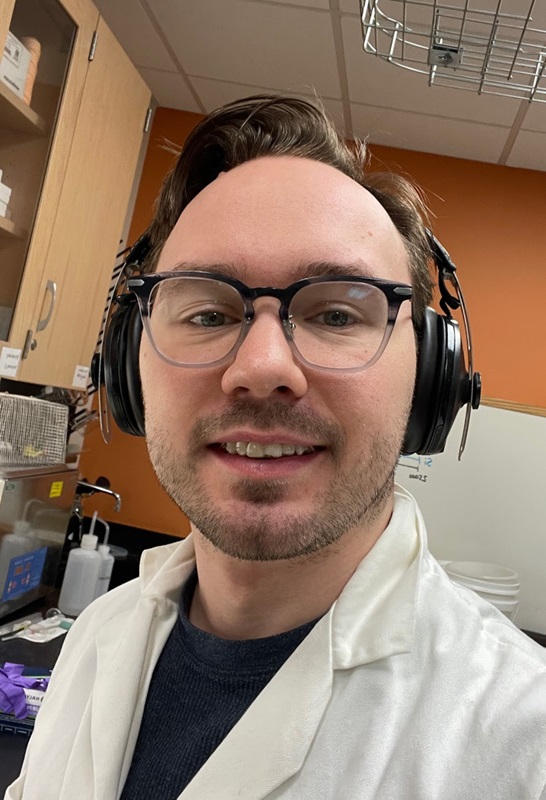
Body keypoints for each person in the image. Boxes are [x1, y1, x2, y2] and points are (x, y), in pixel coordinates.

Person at [6, 95, 546, 800]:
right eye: (206, 311)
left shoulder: (520, 746)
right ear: (128, 366)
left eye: (335, 313)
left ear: (428, 379)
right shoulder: (98, 635)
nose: (261, 367)